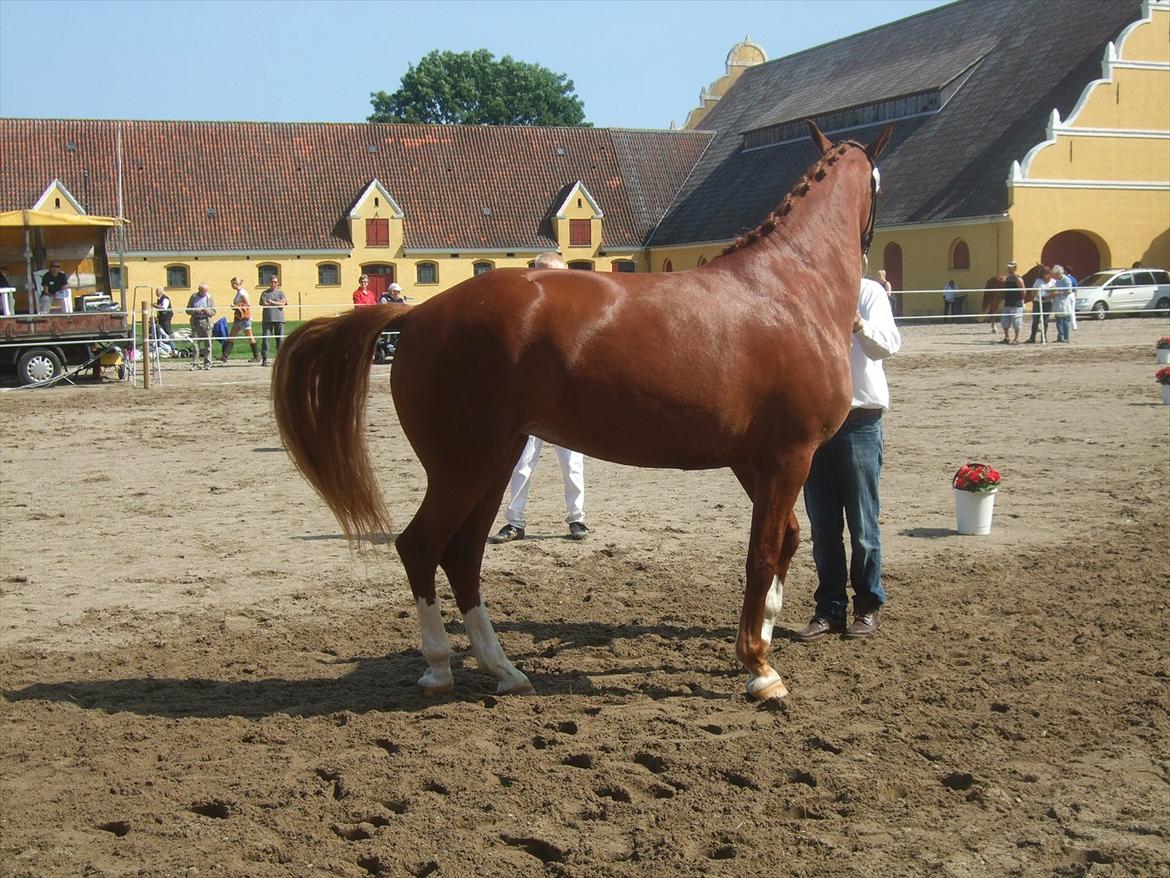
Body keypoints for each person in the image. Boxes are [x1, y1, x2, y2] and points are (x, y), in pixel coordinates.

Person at [796, 275, 901, 641]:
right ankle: (829, 609)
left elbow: (887, 345)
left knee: (863, 524)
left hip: (859, 420)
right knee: (823, 528)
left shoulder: (869, 292)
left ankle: (868, 605)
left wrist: (858, 324)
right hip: (818, 423)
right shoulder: (808, 289)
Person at [489, 252, 589, 543]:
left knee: (572, 465)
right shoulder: (524, 312)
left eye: (555, 274)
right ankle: (514, 521)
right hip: (530, 403)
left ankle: (577, 518)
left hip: (566, 402)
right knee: (521, 464)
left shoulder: (578, 311)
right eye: (543, 273)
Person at [221, 277, 260, 363]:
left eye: (232, 284)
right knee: (231, 336)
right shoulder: (239, 292)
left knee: (250, 337)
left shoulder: (242, 293)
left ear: (236, 284)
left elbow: (248, 304)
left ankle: (257, 356)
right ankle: (224, 356)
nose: (231, 286)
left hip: (244, 318)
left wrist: (236, 306)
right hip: (238, 318)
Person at [258, 274, 287, 367]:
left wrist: (272, 302)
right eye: (272, 282)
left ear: (277, 283)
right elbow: (264, 303)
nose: (273, 283)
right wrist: (277, 303)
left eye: (275, 282)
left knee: (280, 339)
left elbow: (282, 304)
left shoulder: (281, 293)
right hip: (267, 319)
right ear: (269, 282)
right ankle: (265, 358)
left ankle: (280, 359)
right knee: (266, 338)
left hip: (279, 319)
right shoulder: (265, 293)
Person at [186, 283, 216, 369]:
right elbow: (187, 310)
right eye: (201, 290)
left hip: (206, 322)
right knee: (195, 344)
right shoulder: (193, 297)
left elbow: (214, 311)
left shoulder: (209, 298)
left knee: (208, 343)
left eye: (205, 290)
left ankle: (208, 363)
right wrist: (195, 310)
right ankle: (196, 364)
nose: (203, 292)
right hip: (195, 321)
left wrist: (207, 311)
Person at [999, 261, 1026, 344]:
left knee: (1016, 321)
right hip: (1008, 303)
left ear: (1014, 268)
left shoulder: (1018, 279)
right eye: (1008, 267)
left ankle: (1016, 338)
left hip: (1016, 303)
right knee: (1005, 321)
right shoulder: (1007, 278)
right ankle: (1006, 337)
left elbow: (1023, 292)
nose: (1008, 269)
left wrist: (1020, 300)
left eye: (1010, 267)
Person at [1026, 265, 1054, 343]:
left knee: (1045, 321)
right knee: (1035, 320)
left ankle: (1044, 338)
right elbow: (1033, 292)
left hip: (1048, 303)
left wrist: (1047, 297)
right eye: (1043, 274)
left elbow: (1054, 293)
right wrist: (1039, 296)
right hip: (1037, 302)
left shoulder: (1053, 282)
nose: (1045, 275)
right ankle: (1032, 338)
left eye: (1046, 273)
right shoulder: (1038, 281)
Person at [1050, 265, 1074, 343]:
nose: (1054, 276)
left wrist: (1058, 293)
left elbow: (1069, 291)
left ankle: (1066, 337)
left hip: (1064, 302)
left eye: (1055, 274)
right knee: (1058, 320)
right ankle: (1060, 336)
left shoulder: (1066, 280)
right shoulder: (1057, 281)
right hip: (1058, 301)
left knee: (1065, 320)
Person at [152, 287, 178, 357]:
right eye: (156, 291)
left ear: (161, 292)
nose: (156, 293)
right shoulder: (159, 299)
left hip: (166, 319)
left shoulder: (165, 298)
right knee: (159, 332)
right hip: (161, 320)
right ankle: (159, 348)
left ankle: (174, 349)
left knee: (168, 334)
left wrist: (155, 306)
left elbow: (164, 307)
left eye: (157, 291)